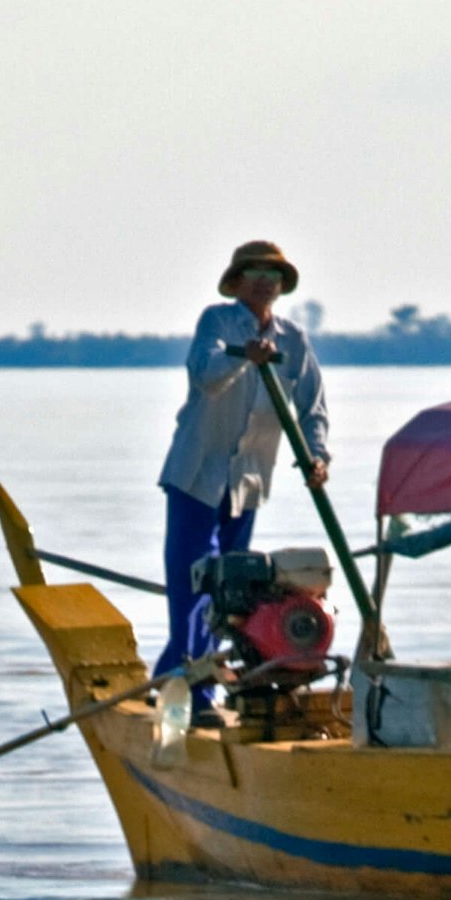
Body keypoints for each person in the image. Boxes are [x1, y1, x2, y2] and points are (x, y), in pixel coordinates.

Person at [156, 240, 332, 681]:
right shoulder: (217, 321)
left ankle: (170, 679)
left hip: (247, 485)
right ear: (237, 283)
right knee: (194, 585)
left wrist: (317, 457)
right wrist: (244, 360)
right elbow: (205, 373)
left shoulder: (293, 339)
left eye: (272, 277)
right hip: (197, 477)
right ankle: (197, 693)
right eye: (254, 274)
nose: (263, 283)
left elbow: (312, 408)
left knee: (232, 593)